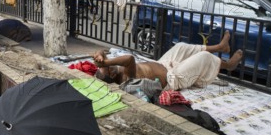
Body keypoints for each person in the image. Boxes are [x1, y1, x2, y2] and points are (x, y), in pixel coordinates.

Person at [93, 31, 243, 91]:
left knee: (181, 46)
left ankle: (220, 47)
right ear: (112, 75)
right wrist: (105, 63)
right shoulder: (126, 78)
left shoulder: (112, 70)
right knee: (203, 58)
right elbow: (129, 59)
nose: (109, 62)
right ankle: (228, 65)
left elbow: (103, 52)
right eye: (108, 67)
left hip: (163, 63)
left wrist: (99, 55)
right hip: (174, 78)